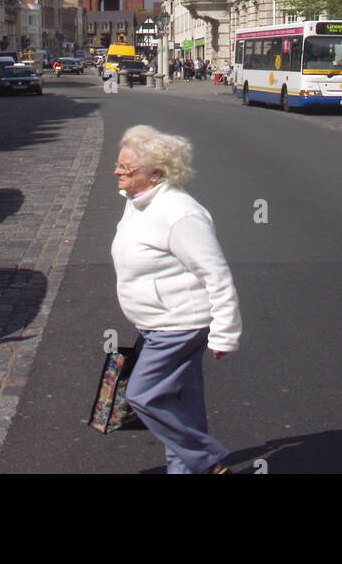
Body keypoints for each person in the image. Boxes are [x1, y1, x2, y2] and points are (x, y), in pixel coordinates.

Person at [111, 125, 241, 475]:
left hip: (180, 323)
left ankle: (208, 460)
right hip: (156, 323)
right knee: (183, 404)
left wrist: (225, 333)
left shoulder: (181, 214)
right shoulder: (136, 202)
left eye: (126, 168)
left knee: (142, 395)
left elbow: (216, 274)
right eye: (119, 164)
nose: (117, 172)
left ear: (156, 173)